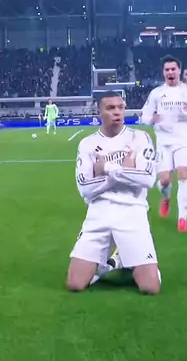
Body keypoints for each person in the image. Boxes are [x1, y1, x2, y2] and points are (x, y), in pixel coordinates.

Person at [67, 92, 161, 295]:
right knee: (75, 284)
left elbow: (147, 179)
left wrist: (107, 169)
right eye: (110, 108)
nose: (117, 112)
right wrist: (125, 172)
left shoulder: (139, 138)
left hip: (132, 212)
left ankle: (135, 262)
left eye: (120, 107)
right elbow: (85, 189)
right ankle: (110, 264)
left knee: (150, 288)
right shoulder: (87, 144)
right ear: (99, 112)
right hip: (98, 213)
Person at [141, 55, 187, 232]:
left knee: (184, 175)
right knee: (164, 181)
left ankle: (182, 219)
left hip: (183, 140)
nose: (170, 72)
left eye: (173, 69)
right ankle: (166, 197)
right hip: (163, 142)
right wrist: (152, 118)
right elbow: (144, 116)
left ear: (179, 71)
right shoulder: (156, 93)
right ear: (163, 72)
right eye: (167, 69)